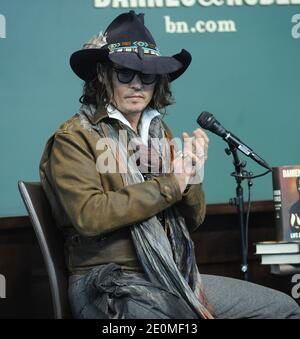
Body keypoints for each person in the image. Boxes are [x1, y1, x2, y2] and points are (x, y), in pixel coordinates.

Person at [39, 10, 300, 319]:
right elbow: (89, 216)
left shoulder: (159, 133)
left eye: (147, 75)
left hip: (171, 276)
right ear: (102, 75)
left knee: (282, 309)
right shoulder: (73, 138)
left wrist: (189, 176)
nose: (137, 84)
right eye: (125, 72)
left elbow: (194, 218)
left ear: (157, 83)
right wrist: (170, 183)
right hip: (106, 282)